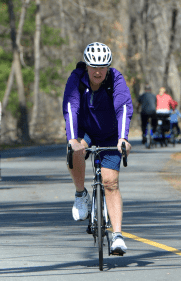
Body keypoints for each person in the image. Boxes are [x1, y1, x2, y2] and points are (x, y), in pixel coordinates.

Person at [63, 42, 133, 255]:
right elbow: (70, 107)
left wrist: (123, 138)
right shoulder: (77, 79)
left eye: (102, 67)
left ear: (108, 67)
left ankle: (118, 235)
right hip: (85, 131)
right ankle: (80, 194)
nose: (98, 71)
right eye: (93, 66)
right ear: (87, 65)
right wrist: (73, 139)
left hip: (110, 134)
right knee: (75, 150)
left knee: (110, 182)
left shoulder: (115, 80)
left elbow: (123, 107)